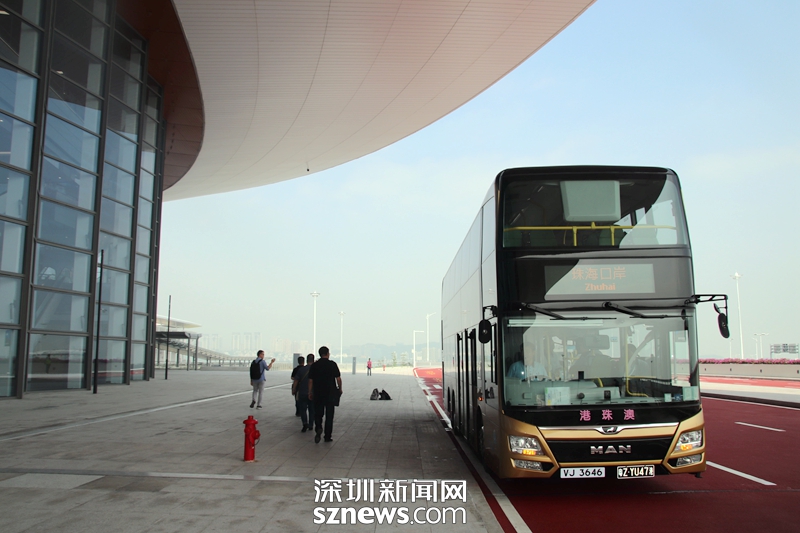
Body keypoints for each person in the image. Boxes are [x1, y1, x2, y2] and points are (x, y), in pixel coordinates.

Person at [308, 346, 342, 443]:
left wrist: (310, 392)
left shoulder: (314, 365)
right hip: (330, 393)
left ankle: (318, 427)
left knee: (318, 413)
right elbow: (338, 378)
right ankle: (327, 436)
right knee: (329, 416)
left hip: (318, 393)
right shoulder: (332, 364)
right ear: (327, 354)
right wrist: (340, 388)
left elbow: (310, 380)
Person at [293, 353, 315, 432]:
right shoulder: (316, 369)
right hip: (312, 393)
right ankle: (311, 424)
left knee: (303, 409)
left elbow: (296, 380)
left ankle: (305, 423)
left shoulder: (301, 369)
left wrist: (294, 389)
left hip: (302, 392)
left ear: (306, 360)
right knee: (312, 409)